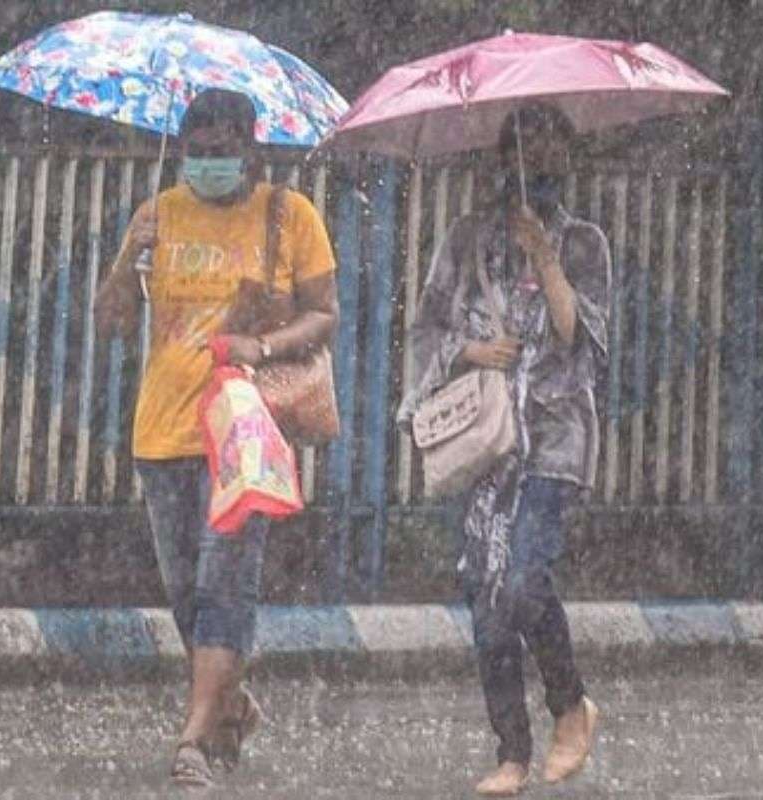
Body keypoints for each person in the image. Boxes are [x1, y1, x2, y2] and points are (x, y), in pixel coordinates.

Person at [94, 88, 339, 787]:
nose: (209, 163)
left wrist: (259, 347)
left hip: (243, 429)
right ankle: (228, 702)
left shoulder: (289, 216)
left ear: (250, 149)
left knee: (224, 581)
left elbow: (326, 315)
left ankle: (194, 741)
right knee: (185, 592)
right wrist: (126, 262)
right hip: (162, 429)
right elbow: (109, 322)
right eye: (197, 151)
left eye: (223, 150)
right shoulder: (158, 215)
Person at [398, 103, 610, 797]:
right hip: (486, 441)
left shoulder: (584, 243)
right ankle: (512, 751)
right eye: (524, 150)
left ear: (568, 160)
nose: (537, 164)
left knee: (522, 581)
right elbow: (428, 325)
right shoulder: (466, 240)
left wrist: (544, 255)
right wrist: (469, 349)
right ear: (503, 159)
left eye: (551, 151)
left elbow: (580, 338)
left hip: (551, 437)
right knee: (484, 591)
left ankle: (570, 704)